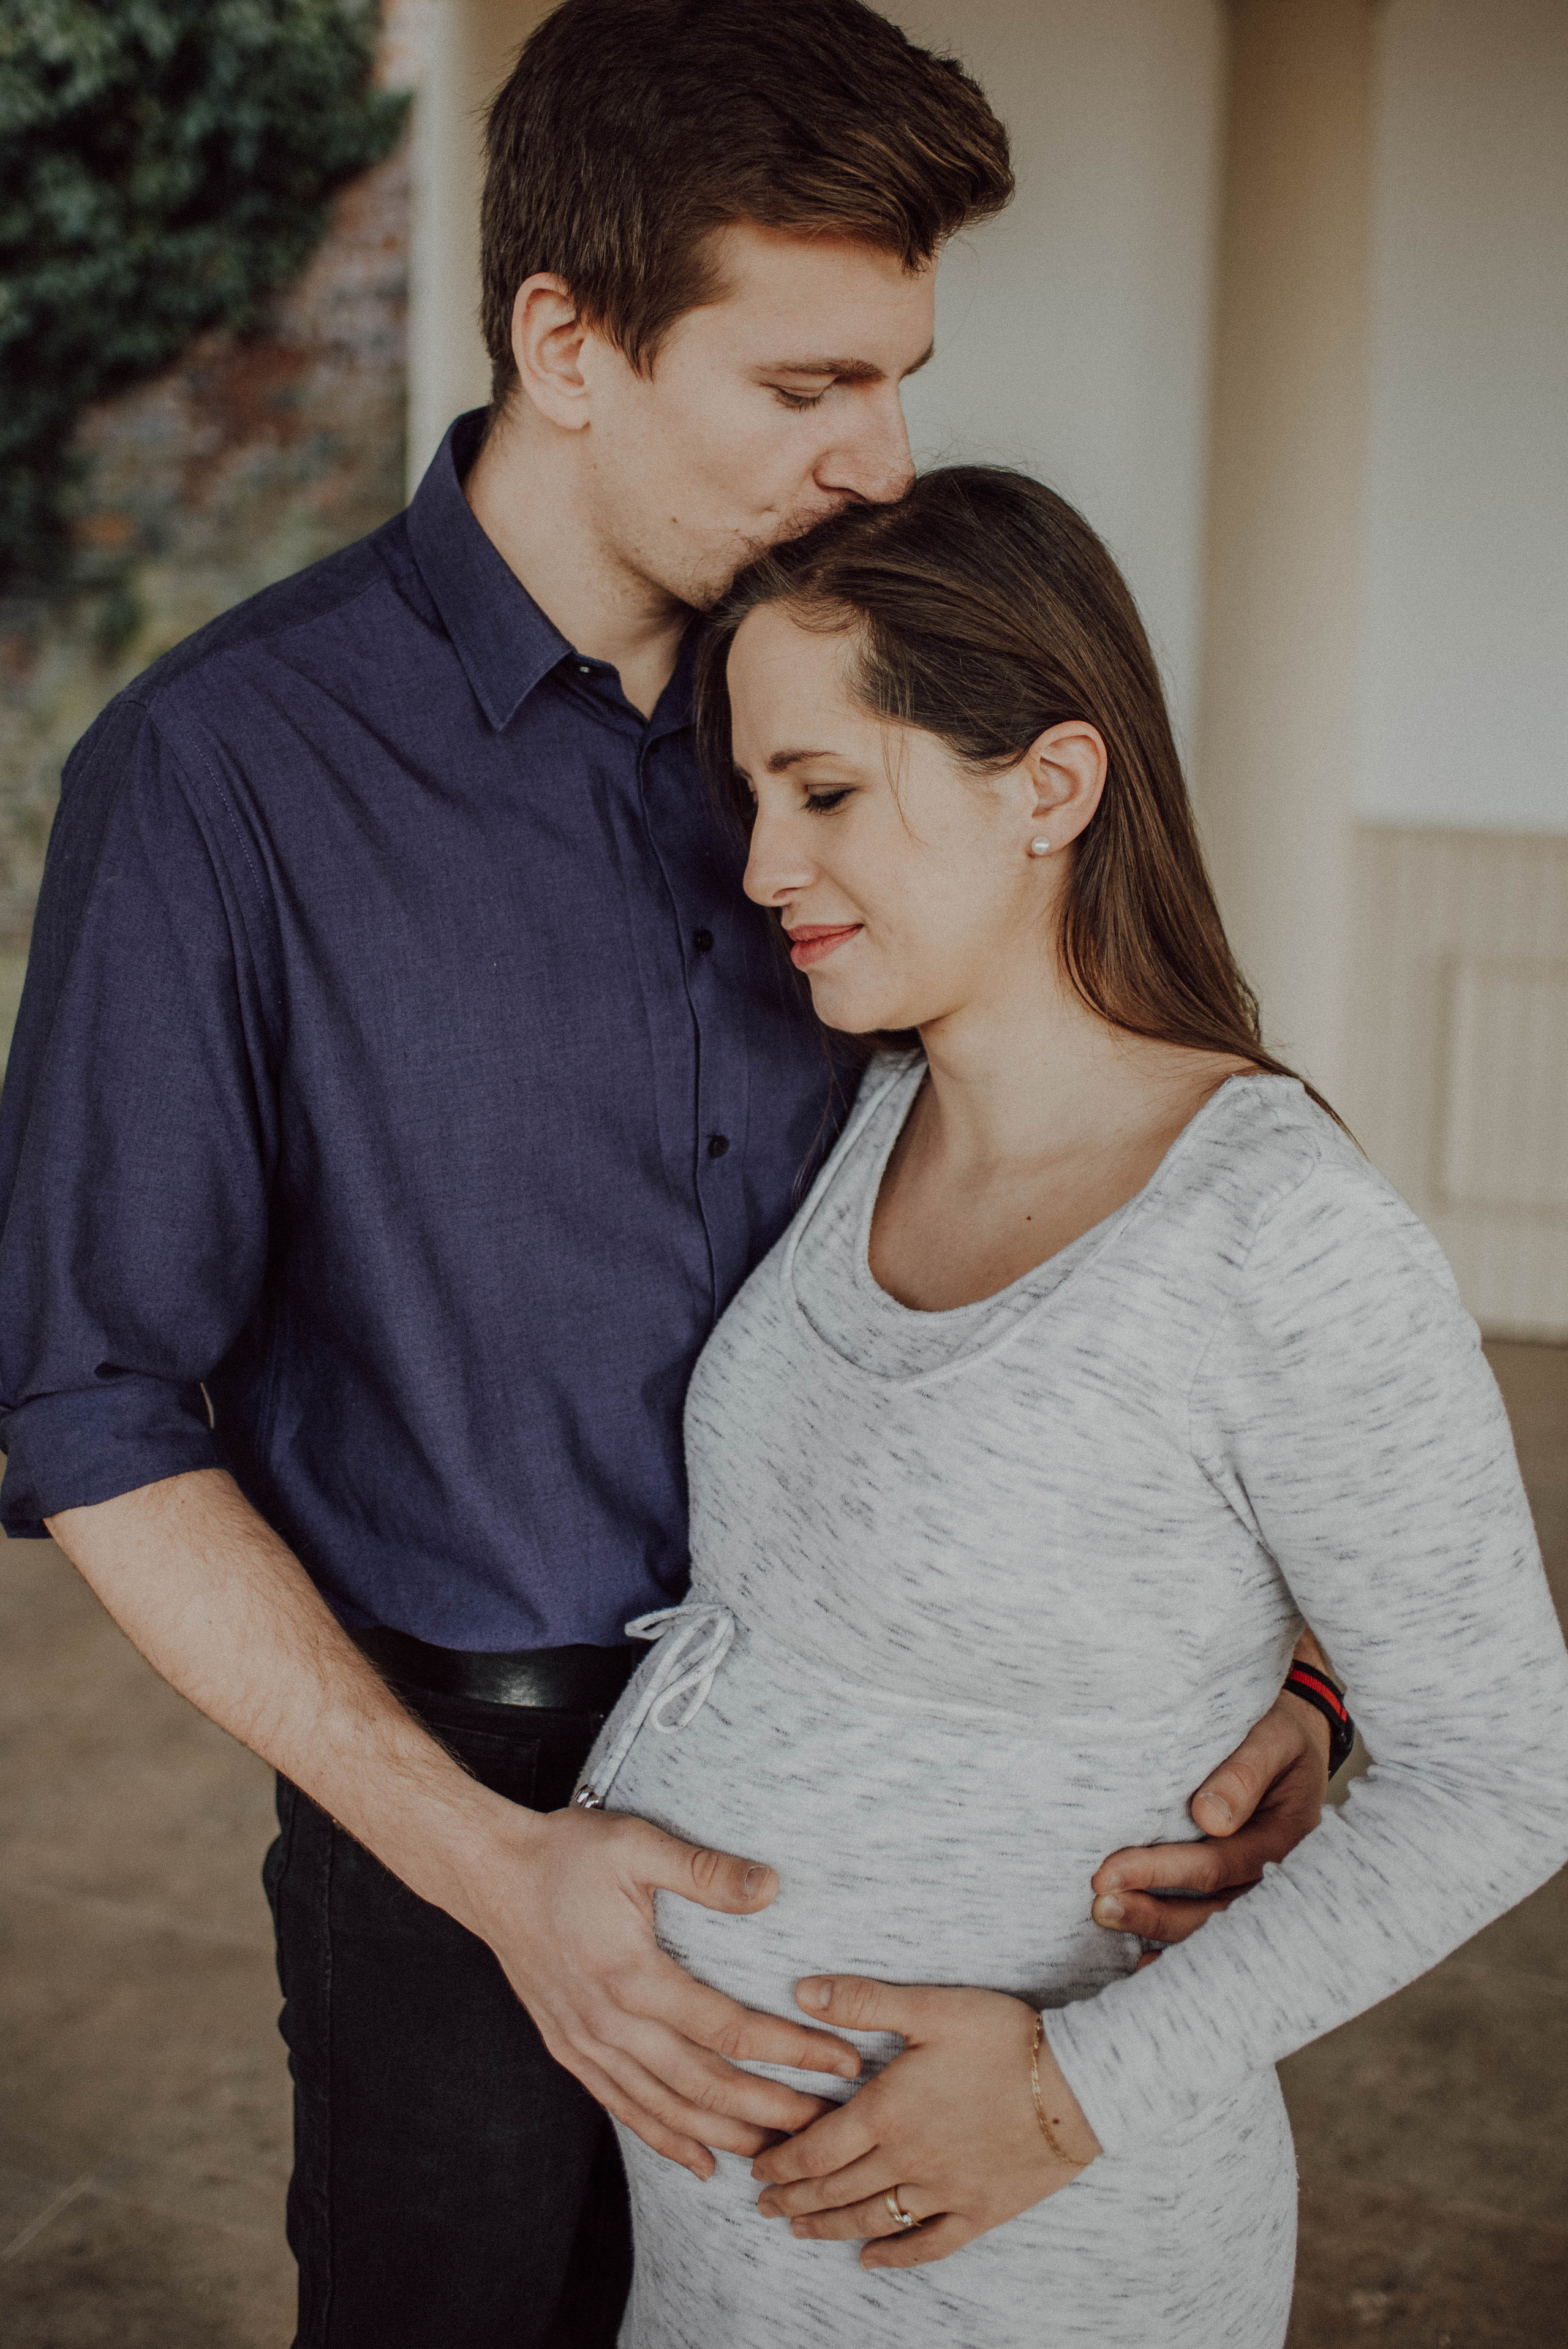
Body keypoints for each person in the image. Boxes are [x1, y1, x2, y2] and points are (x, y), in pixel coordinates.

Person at [1, 6, 1336, 2344]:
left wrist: (1288, 1676)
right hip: (466, 1789)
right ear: (567, 340)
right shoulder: (215, 774)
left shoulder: (882, 700)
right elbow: (92, 1406)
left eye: (901, 377)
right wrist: (494, 1873)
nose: (882, 455)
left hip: (940, 1759)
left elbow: (1155, 1175)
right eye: (807, 385)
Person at [580, 466, 1568, 2347]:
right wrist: (1307, 1681)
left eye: (827, 791)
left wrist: (1066, 2094)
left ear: (1049, 784)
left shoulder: (1282, 1228)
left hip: (1031, 2256)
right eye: (756, 796)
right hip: (721, 2243)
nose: (762, 865)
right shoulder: (868, 1119)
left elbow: (1510, 1767)